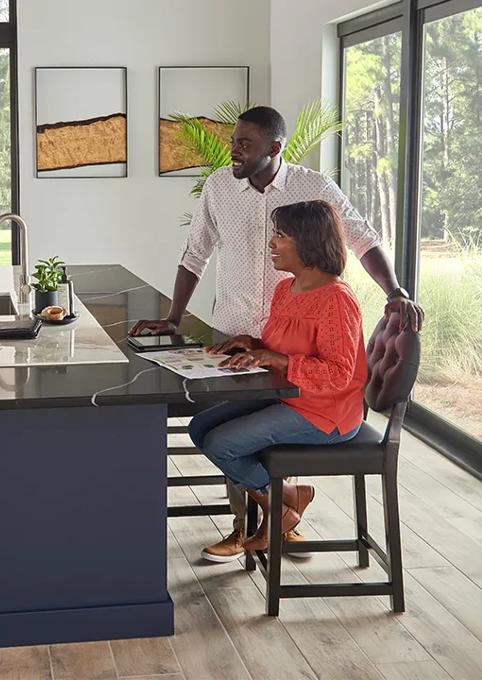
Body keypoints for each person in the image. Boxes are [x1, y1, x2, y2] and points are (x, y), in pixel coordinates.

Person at [130, 106, 423, 563]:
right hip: (247, 332)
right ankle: (255, 518)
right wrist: (174, 316)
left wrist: (395, 290)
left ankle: (277, 518)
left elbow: (362, 238)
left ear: (275, 147)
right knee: (217, 426)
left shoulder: (315, 192)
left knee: (240, 436)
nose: (233, 151)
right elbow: (195, 255)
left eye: (244, 144)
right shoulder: (219, 187)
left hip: (296, 354)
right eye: (233, 142)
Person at [189, 200, 366, 550]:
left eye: (280, 235)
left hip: (325, 412)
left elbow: (339, 374)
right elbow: (282, 347)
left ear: (309, 240)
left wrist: (277, 360)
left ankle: (278, 511)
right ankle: (289, 494)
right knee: (199, 428)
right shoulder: (285, 289)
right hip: (286, 396)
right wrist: (251, 344)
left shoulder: (336, 300)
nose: (271, 243)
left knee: (221, 444)